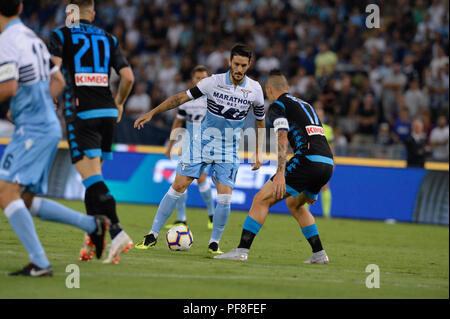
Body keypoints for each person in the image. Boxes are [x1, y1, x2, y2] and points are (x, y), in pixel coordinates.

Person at [0, 0, 109, 276]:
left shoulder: (7, 41)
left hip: (33, 129)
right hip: (46, 124)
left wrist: (27, 110)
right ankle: (91, 224)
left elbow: (9, 86)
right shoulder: (32, 38)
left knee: (5, 193)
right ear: (21, 7)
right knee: (23, 199)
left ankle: (40, 262)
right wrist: (39, 106)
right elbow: (57, 81)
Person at [134, 44, 266, 254]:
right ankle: (152, 235)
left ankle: (214, 243)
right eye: (236, 64)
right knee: (178, 186)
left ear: (249, 64)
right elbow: (180, 98)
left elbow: (260, 122)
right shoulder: (212, 82)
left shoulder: (256, 90)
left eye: (243, 65)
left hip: (229, 148)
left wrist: (258, 152)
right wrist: (152, 113)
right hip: (201, 142)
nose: (239, 69)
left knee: (224, 197)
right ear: (229, 62)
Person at [48, 0, 135, 264]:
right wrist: (119, 103)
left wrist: (50, 99)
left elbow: (54, 73)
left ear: (69, 14)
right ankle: (92, 242)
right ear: (93, 14)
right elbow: (128, 77)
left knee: (91, 180)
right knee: (93, 178)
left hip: (81, 112)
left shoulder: (60, 35)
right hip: (107, 112)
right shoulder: (108, 38)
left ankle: (118, 232)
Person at [216, 70, 333, 264]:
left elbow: (281, 136)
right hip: (326, 163)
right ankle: (319, 254)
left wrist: (280, 172)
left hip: (308, 161)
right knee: (295, 204)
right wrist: (317, 179)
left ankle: (242, 250)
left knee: (261, 199)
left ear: (269, 90)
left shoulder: (277, 106)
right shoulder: (307, 105)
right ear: (287, 88)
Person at [164, 65, 215, 230]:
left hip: (206, 145)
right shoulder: (186, 99)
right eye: (197, 78)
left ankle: (212, 215)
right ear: (193, 80)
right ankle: (182, 219)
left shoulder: (212, 99)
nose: (200, 81)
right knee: (180, 180)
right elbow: (178, 122)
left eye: (203, 78)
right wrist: (171, 145)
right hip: (187, 145)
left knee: (200, 179)